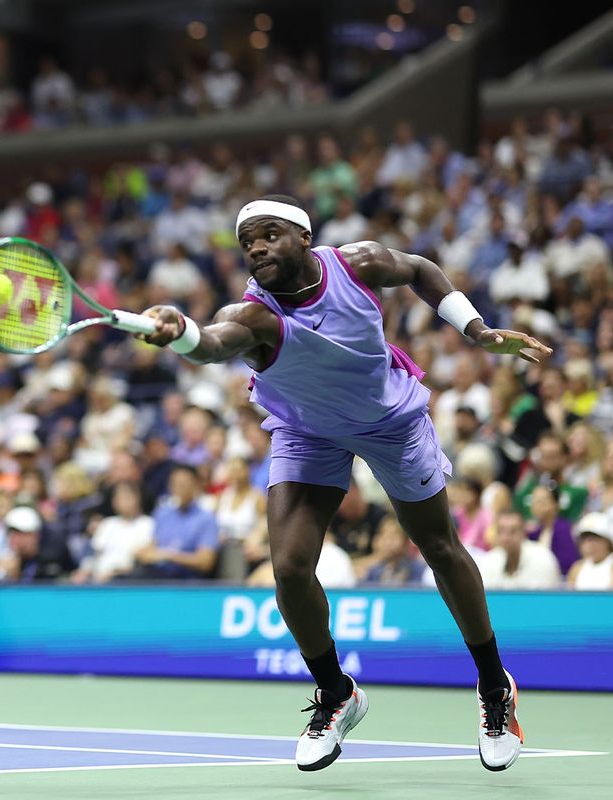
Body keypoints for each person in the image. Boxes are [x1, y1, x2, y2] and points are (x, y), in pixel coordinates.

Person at [139, 195, 550, 771]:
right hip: (307, 429)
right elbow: (210, 345)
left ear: (305, 238)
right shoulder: (254, 317)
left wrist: (476, 330)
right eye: (246, 241)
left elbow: (423, 271)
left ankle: (493, 685)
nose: (256, 247)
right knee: (288, 567)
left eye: (270, 234)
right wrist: (181, 330)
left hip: (390, 421)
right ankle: (336, 692)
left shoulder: (359, 264)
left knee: (438, 546)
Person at [132, 464, 219, 580]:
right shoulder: (163, 514)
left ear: (196, 485)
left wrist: (169, 556)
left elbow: (205, 562)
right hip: (156, 574)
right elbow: (152, 546)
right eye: (175, 484)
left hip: (185, 580)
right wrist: (142, 553)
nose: (179, 489)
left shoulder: (206, 519)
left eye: (183, 484)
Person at [479, 510, 561, 590]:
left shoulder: (543, 559)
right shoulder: (488, 561)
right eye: (501, 531)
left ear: (523, 533)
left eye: (512, 531)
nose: (505, 538)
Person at [566, 512, 613, 590]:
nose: (589, 545)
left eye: (594, 539)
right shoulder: (577, 568)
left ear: (608, 541)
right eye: (584, 539)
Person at [360, 516, 426, 585]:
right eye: (384, 536)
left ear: (406, 541)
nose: (387, 542)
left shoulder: (417, 569)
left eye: (392, 537)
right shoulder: (374, 571)